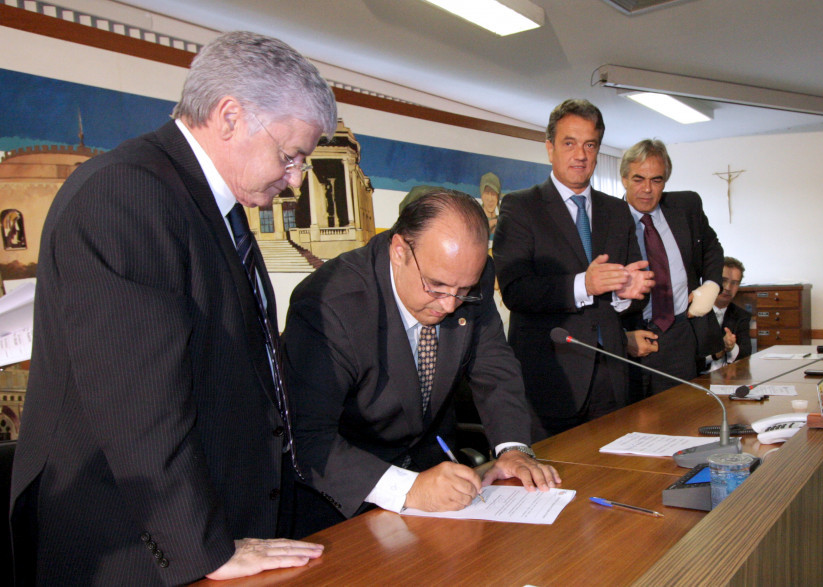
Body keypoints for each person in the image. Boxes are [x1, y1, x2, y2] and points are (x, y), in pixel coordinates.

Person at [10, 31, 338, 585]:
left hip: (212, 520)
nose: (295, 179)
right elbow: (139, 408)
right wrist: (204, 549)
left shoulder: (209, 203)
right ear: (230, 116)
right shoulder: (125, 195)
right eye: (289, 156)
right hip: (134, 546)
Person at [281, 189, 560, 537]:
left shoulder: (467, 274)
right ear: (400, 251)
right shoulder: (329, 304)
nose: (449, 305)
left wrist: (514, 449)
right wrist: (409, 489)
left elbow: (494, 368)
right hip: (344, 500)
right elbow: (308, 438)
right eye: (436, 286)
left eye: (463, 291)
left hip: (438, 488)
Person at [493, 99, 653, 441]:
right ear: (550, 148)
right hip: (551, 378)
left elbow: (633, 296)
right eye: (569, 143)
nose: (580, 154)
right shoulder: (521, 207)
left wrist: (626, 294)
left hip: (611, 375)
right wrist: (585, 284)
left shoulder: (617, 210)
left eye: (589, 145)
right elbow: (515, 290)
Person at [620, 139, 724, 397]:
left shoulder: (685, 206)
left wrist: (711, 285)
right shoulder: (605, 219)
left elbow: (711, 246)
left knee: (683, 417)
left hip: (679, 332)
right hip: (632, 336)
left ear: (665, 181)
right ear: (623, 179)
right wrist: (622, 337)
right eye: (638, 179)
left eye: (656, 180)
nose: (647, 189)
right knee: (633, 425)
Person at [702, 257, 752, 372]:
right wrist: (716, 354)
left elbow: (746, 355)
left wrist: (732, 347)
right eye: (724, 280)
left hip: (730, 379)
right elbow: (686, 358)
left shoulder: (741, 315)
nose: (728, 288)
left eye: (734, 283)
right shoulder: (695, 313)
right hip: (698, 379)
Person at [479, 171, 501, 237]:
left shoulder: (503, 222)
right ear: (482, 195)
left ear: (498, 196)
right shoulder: (475, 220)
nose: (490, 199)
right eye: (487, 193)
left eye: (493, 194)